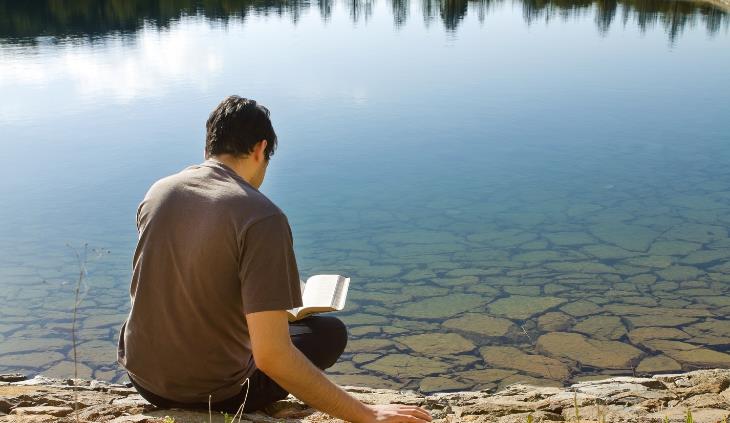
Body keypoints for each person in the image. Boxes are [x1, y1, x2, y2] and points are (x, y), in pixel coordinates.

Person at [117, 95, 432, 423]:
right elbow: (272, 357)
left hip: (144, 381)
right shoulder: (261, 216)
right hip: (219, 392)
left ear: (208, 148)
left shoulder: (158, 192)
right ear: (259, 150)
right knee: (327, 333)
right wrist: (367, 414)